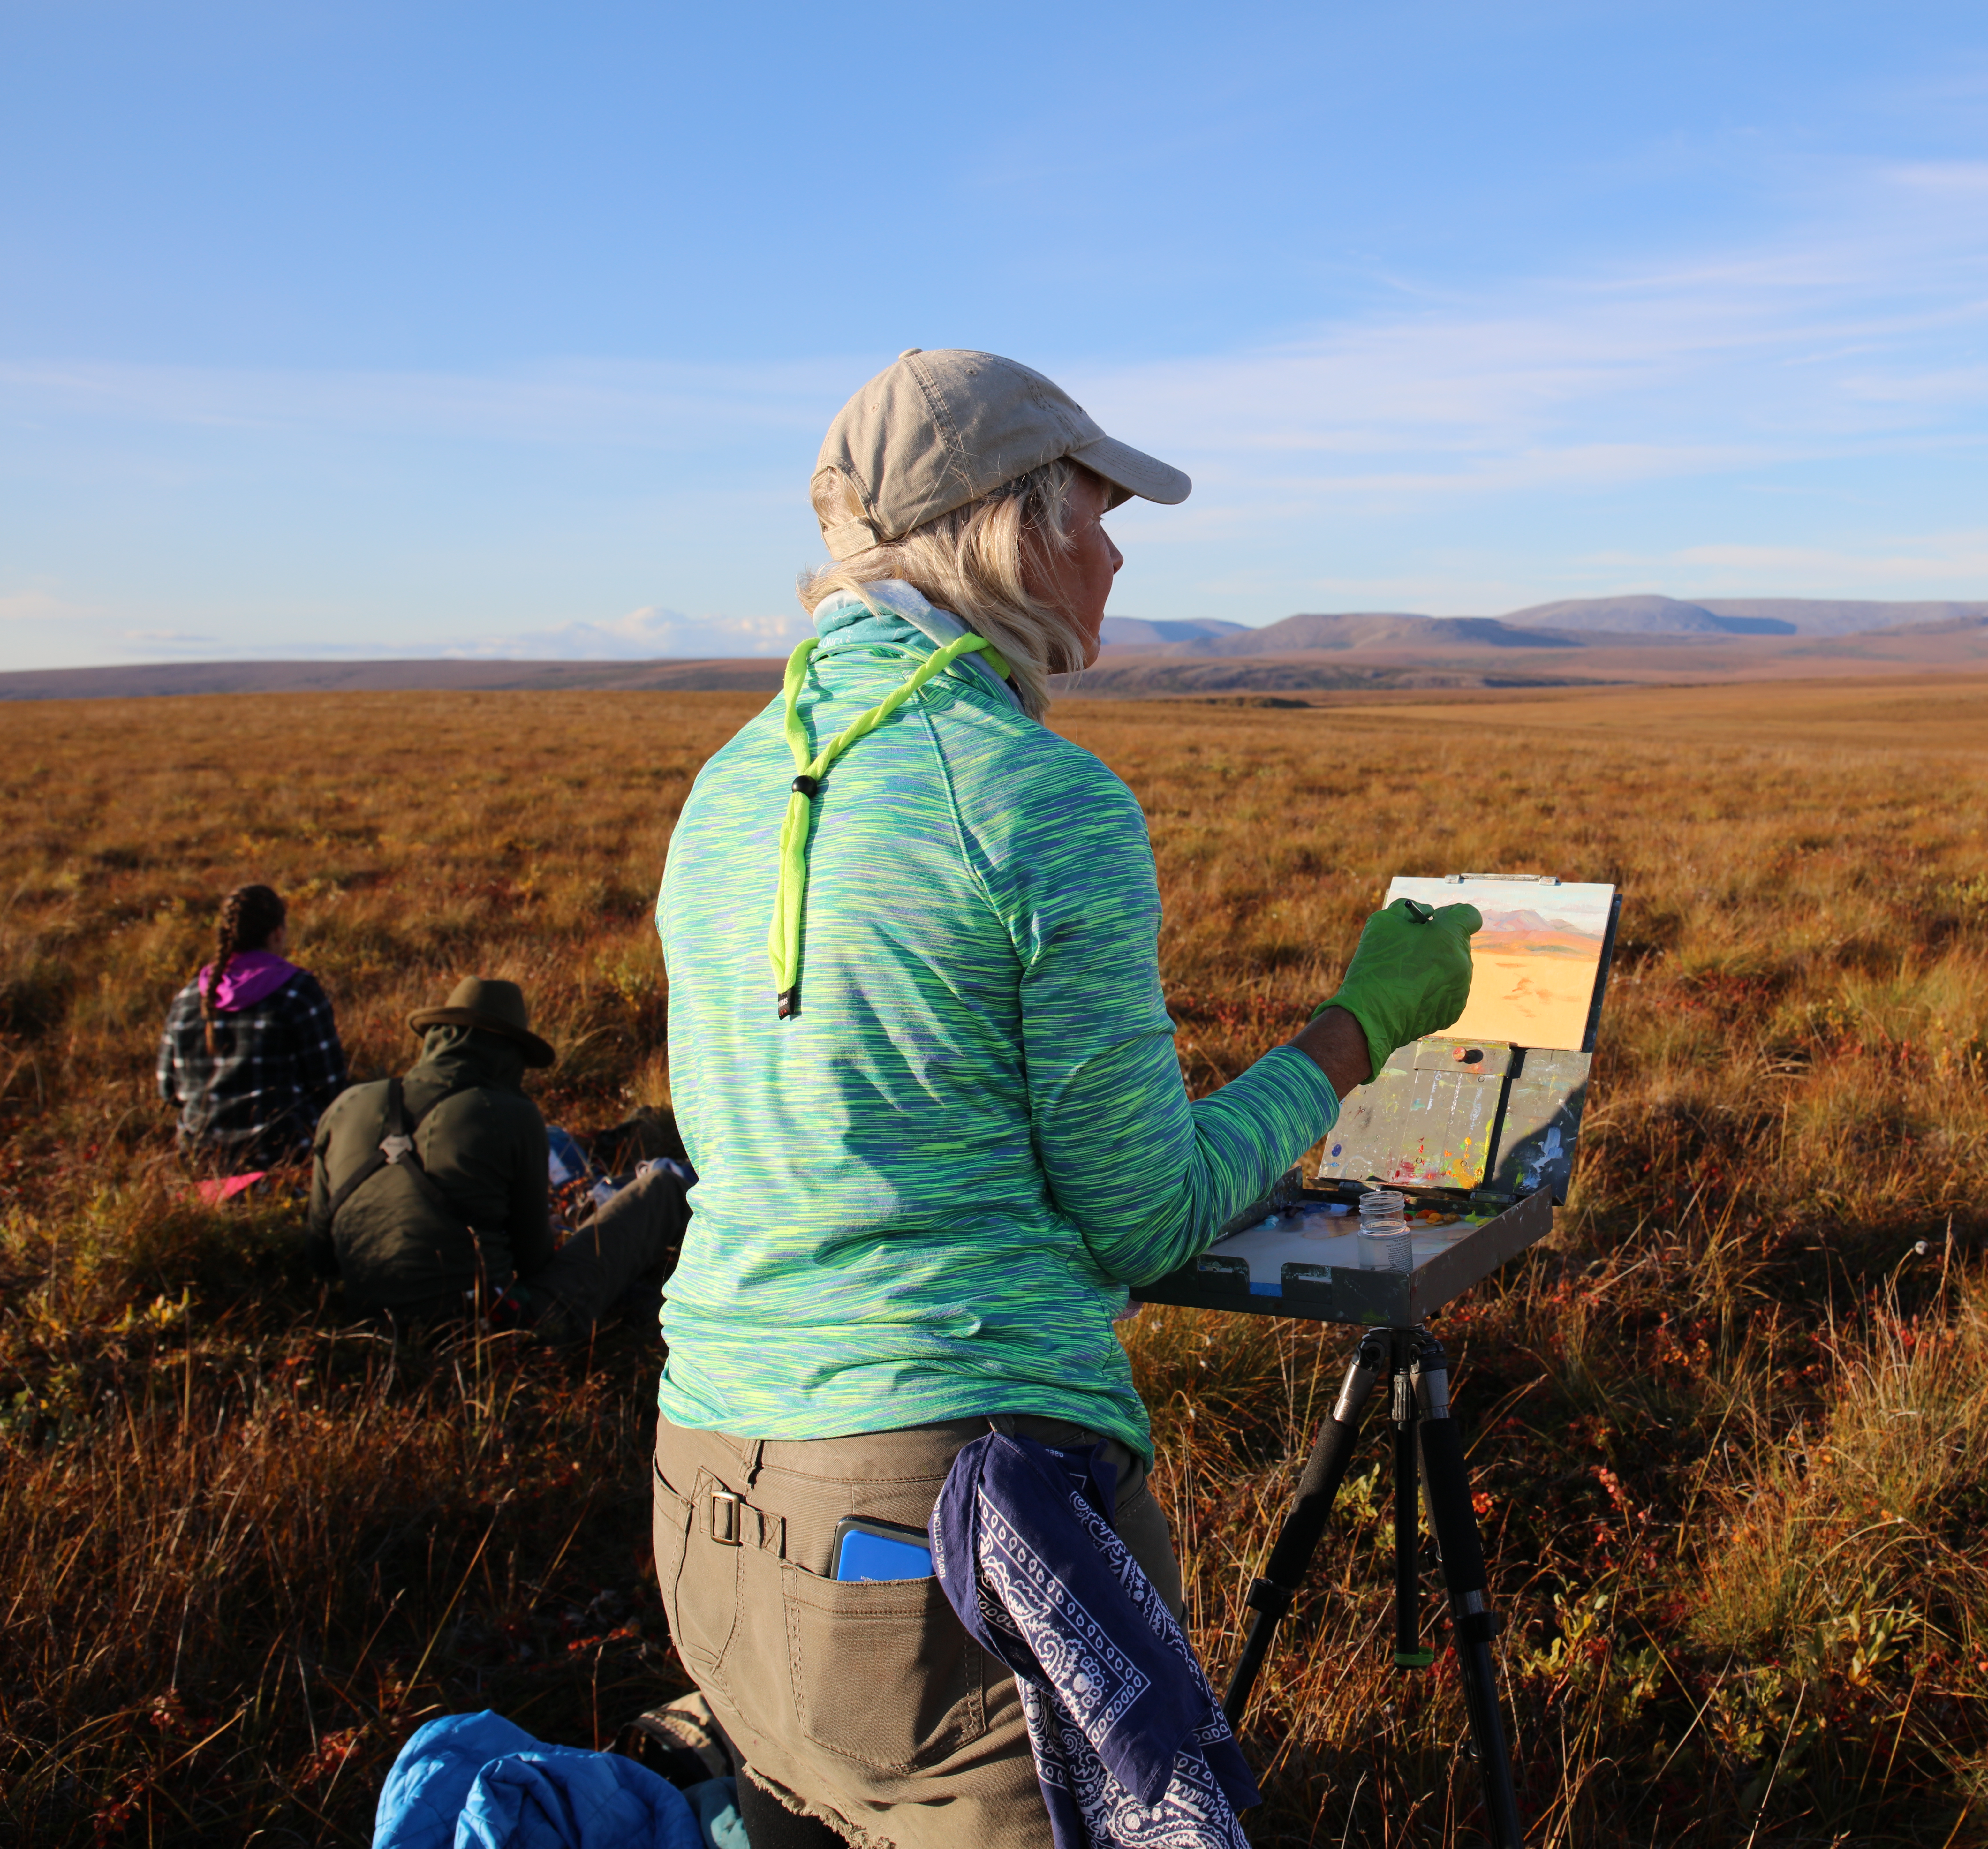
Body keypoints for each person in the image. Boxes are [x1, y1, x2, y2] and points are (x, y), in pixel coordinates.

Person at [648, 348, 1480, 1849]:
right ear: (1008, 532)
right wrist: (1362, 1024)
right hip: (950, 1529)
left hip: (708, 1497)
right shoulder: (1039, 799)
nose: (1111, 549)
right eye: (1090, 511)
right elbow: (1144, 1211)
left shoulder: (721, 793)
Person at [305, 977, 689, 1342]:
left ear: (437, 1037)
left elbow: (320, 1256)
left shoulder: (347, 1105)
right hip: (494, 1329)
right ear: (508, 1053)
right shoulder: (511, 1113)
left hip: (364, 1323)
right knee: (661, 1188)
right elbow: (534, 1261)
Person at [157, 882, 349, 1173]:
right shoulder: (298, 992)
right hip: (286, 1161)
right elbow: (331, 1087)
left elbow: (168, 1090)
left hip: (201, 1165)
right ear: (277, 932)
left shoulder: (188, 998)